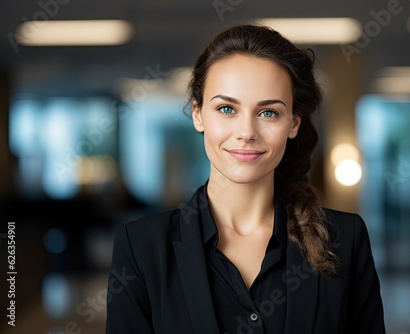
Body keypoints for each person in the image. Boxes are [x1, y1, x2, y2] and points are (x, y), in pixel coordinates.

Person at [106, 25, 385, 334]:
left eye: (268, 113)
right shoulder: (142, 247)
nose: (247, 132)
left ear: (293, 123)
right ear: (198, 114)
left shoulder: (346, 240)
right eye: (227, 109)